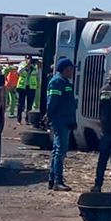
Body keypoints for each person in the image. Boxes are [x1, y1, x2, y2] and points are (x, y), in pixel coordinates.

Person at [46, 57, 77, 191]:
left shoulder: (64, 82)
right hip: (60, 120)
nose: (72, 72)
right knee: (60, 150)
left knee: (58, 150)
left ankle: (53, 179)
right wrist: (49, 116)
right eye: (70, 69)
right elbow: (52, 102)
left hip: (66, 120)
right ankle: (57, 181)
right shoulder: (57, 82)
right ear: (65, 69)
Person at [16, 57, 39, 123]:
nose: (29, 60)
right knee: (21, 104)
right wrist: (27, 66)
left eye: (31, 58)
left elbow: (37, 74)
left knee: (30, 104)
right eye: (28, 58)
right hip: (22, 86)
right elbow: (19, 72)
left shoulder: (35, 66)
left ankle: (27, 119)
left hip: (31, 87)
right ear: (25, 59)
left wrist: (36, 65)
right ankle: (19, 119)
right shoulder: (22, 64)